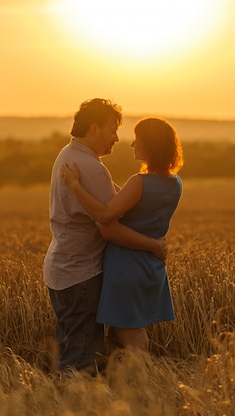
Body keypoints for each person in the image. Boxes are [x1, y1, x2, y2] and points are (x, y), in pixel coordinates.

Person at [43, 99, 167, 375]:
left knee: (71, 348)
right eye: (112, 130)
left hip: (62, 268)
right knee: (81, 360)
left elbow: (118, 198)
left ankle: (62, 401)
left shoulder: (68, 154)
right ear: (95, 128)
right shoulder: (91, 167)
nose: (117, 138)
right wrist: (153, 244)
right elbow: (109, 224)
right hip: (81, 273)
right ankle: (73, 404)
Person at [60, 117, 184, 352]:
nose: (132, 144)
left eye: (138, 140)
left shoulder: (139, 183)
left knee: (131, 336)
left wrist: (76, 185)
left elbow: (105, 215)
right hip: (151, 266)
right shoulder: (175, 183)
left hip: (127, 265)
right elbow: (134, 202)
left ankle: (146, 383)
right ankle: (135, 384)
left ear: (151, 145)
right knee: (134, 331)